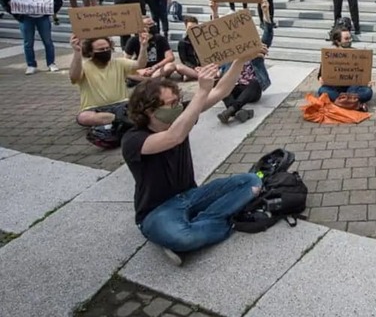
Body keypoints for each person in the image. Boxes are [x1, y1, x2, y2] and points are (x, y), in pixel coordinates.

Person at [122, 59, 261, 265]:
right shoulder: (133, 139)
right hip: (156, 210)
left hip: (191, 195)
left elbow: (222, 91)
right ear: (149, 111)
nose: (178, 106)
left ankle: (202, 222)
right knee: (183, 237)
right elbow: (173, 137)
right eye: (171, 104)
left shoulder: (181, 116)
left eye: (179, 101)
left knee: (251, 182)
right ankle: (217, 222)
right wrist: (201, 91)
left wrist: (240, 61)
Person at [71, 32, 148, 127]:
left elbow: (140, 64)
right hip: (94, 109)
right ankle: (119, 119)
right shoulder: (83, 66)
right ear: (90, 52)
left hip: (121, 105)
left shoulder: (119, 63)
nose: (105, 51)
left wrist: (143, 46)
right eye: (101, 49)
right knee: (84, 117)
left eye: (107, 48)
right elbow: (74, 78)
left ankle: (116, 120)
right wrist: (77, 52)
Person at [1, 0, 63, 74]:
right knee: (28, 43)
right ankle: (31, 65)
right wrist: (15, 13)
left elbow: (58, 0)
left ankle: (51, 63)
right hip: (26, 19)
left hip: (42, 18)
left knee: (48, 42)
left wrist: (49, 11)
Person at [316, 26, 373, 108]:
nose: (350, 40)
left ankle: (341, 102)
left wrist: (367, 83)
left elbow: (363, 75)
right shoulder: (329, 56)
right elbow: (320, 75)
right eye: (346, 39)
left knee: (368, 91)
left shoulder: (357, 54)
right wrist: (321, 79)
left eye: (350, 38)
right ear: (338, 41)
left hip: (353, 89)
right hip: (336, 89)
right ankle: (354, 103)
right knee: (322, 90)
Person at [125, 17, 175, 83]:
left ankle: (148, 79)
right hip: (141, 69)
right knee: (126, 73)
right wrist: (139, 70)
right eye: (149, 24)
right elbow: (126, 60)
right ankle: (152, 80)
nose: (153, 26)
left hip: (157, 69)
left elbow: (170, 57)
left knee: (170, 66)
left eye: (153, 23)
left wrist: (154, 67)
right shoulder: (133, 40)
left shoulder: (160, 38)